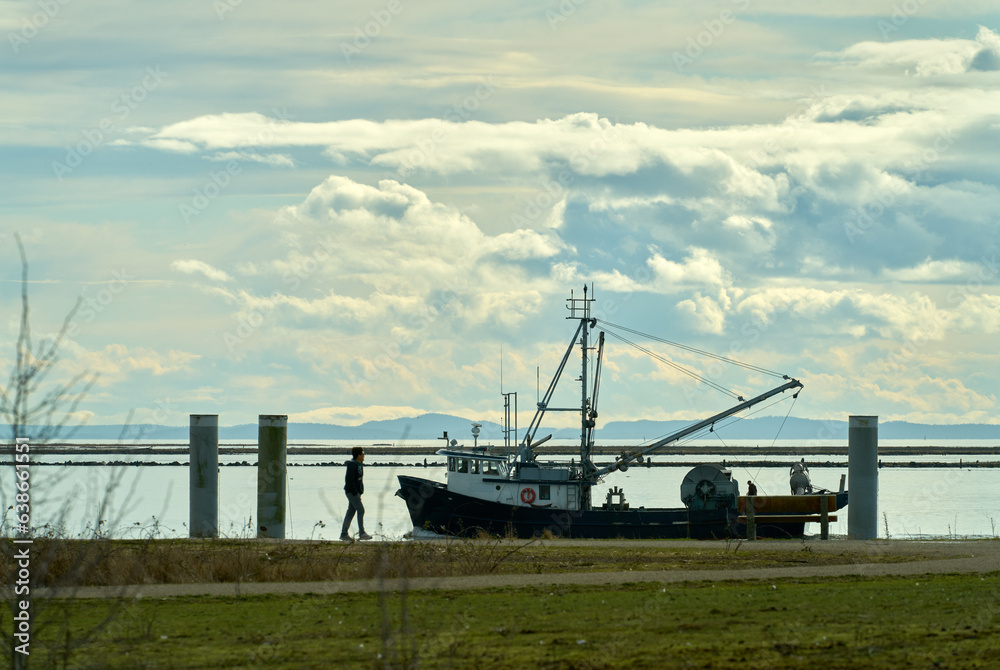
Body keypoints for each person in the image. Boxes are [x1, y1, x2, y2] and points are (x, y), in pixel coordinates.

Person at [341, 447, 372, 541]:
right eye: (362, 454)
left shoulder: (359, 465)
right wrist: (355, 492)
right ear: (358, 455)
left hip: (356, 492)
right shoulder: (352, 465)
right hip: (351, 492)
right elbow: (349, 480)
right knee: (361, 510)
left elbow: (359, 480)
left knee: (350, 512)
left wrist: (361, 491)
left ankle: (344, 534)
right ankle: (362, 533)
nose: (364, 456)